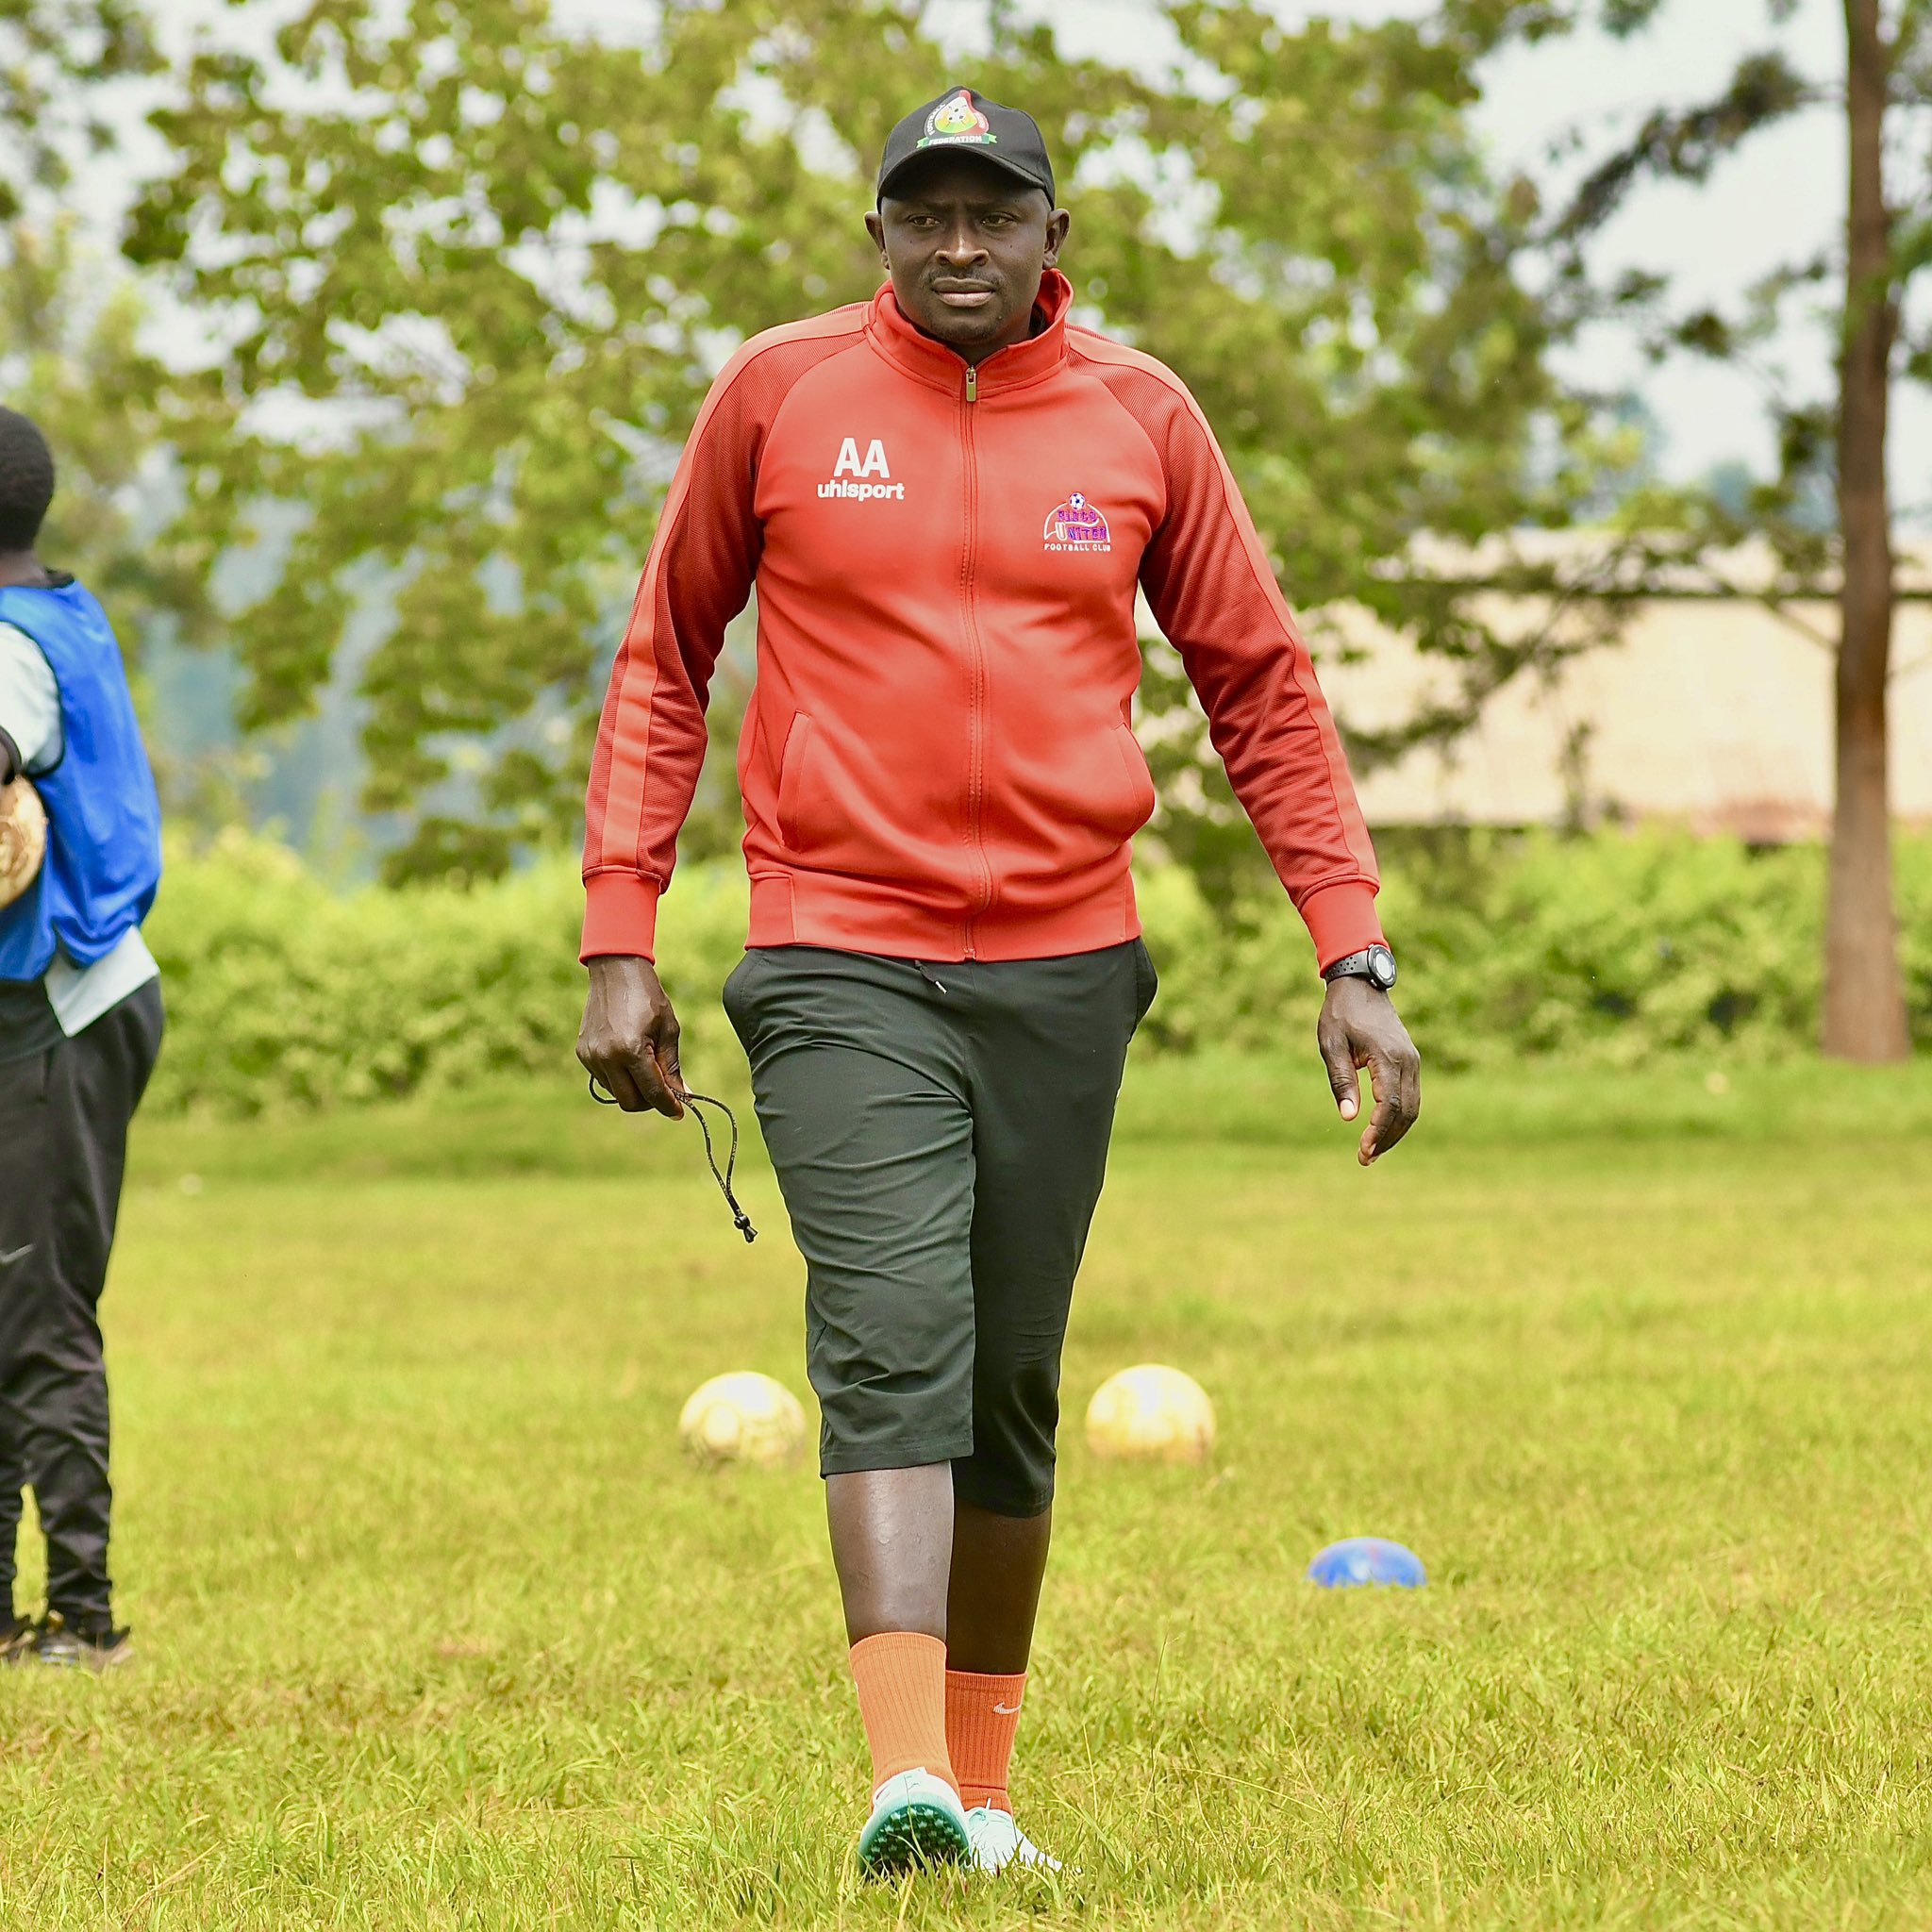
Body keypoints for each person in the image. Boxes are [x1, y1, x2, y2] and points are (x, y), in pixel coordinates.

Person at [576, 87, 1421, 1875]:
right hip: (836, 952)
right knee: (893, 1341)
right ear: (878, 236)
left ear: (1055, 235)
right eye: (924, 215)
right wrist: (619, 932)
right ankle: (901, 1788)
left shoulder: (1141, 417)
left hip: (1065, 963)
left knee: (1012, 1386)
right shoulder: (780, 397)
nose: (959, 245)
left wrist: (1351, 951)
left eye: (995, 213)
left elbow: (1258, 685)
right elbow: (666, 660)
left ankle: (985, 1793)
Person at [0, 406, 164, 1671]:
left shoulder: (9, 648)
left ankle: (86, 1620)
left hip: (59, 1009)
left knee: (41, 1308)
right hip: (75, 1001)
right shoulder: (61, 605)